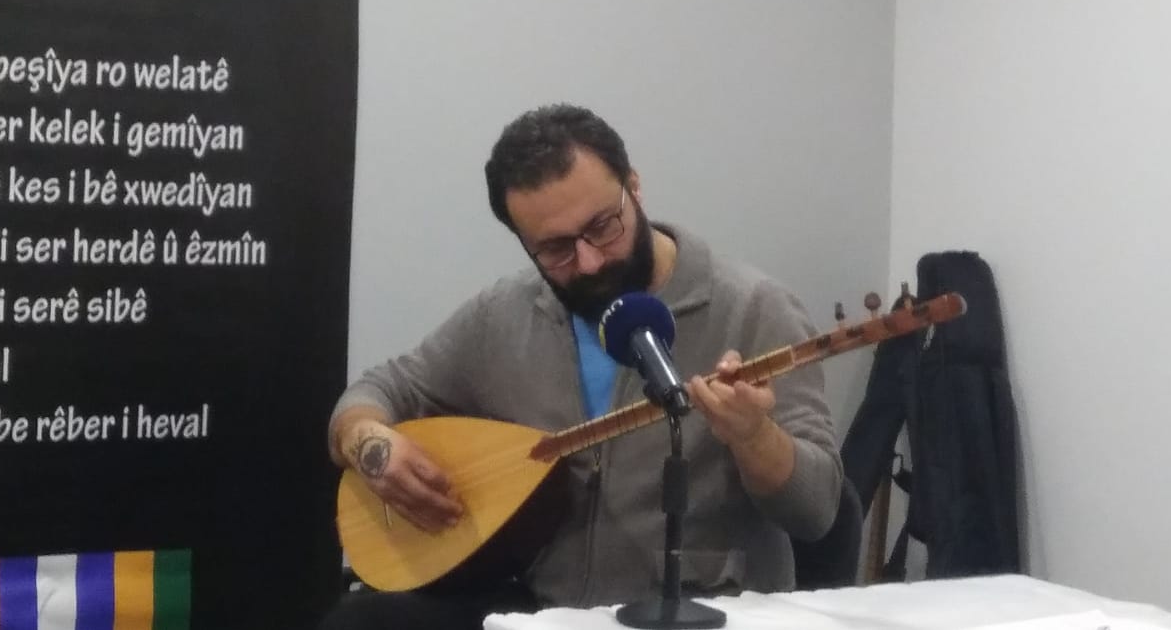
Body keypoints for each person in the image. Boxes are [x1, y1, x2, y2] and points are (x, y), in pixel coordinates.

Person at [320, 104, 843, 630]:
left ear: (633, 187)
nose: (590, 261)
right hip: (548, 612)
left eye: (602, 227)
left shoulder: (754, 310)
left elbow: (817, 511)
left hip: (701, 615)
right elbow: (380, 390)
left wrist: (755, 437)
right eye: (555, 249)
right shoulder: (505, 315)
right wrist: (370, 444)